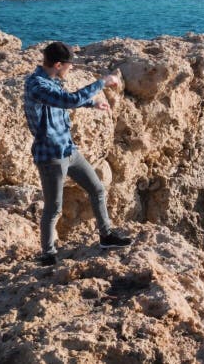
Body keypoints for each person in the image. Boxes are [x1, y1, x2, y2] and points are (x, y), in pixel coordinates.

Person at [24, 41, 132, 266]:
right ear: (57, 64)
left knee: (97, 188)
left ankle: (106, 236)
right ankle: (48, 254)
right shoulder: (36, 85)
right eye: (68, 66)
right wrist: (103, 81)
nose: (70, 69)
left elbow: (63, 102)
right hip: (51, 156)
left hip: (68, 149)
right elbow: (68, 100)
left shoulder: (51, 81)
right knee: (53, 208)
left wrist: (92, 105)